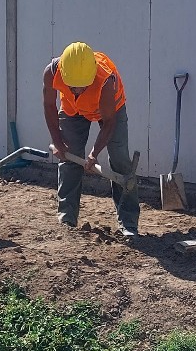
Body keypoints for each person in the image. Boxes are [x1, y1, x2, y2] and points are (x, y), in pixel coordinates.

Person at [43, 41, 139, 236]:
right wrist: (58, 141)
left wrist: (94, 154)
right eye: (73, 87)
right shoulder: (52, 72)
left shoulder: (106, 81)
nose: (77, 90)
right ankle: (67, 218)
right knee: (69, 157)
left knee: (120, 160)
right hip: (73, 110)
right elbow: (49, 105)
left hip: (110, 110)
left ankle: (128, 223)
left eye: (82, 87)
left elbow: (109, 122)